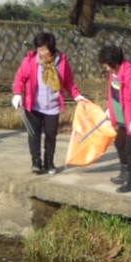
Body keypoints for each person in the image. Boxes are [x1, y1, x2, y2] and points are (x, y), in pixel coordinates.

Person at [12, 32, 86, 175]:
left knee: (51, 136)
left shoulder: (61, 61)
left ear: (51, 48)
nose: (41, 53)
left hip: (52, 106)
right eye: (39, 49)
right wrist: (17, 93)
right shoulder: (31, 60)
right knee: (34, 135)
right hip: (33, 105)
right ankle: (36, 163)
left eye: (44, 49)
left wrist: (77, 95)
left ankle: (49, 163)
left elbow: (68, 82)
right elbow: (20, 78)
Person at [98, 44, 131, 193]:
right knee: (119, 144)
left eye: (106, 64)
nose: (105, 68)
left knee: (129, 149)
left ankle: (130, 181)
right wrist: (111, 110)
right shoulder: (114, 74)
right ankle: (123, 172)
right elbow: (114, 95)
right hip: (121, 117)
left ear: (113, 62)